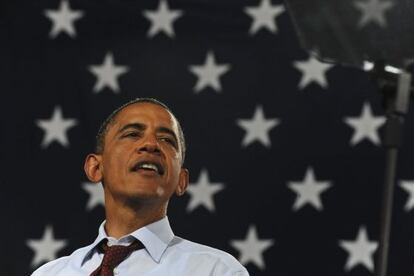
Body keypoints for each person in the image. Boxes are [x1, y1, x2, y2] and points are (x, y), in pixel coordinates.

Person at [32, 98, 249, 276]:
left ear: (181, 181)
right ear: (96, 167)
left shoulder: (218, 271)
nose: (151, 145)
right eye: (132, 134)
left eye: (167, 140)